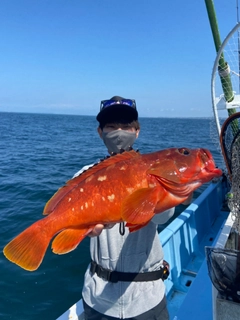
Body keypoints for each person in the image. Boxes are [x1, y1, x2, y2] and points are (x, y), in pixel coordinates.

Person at [75, 96, 192, 320]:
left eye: (126, 126)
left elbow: (162, 216)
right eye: (111, 126)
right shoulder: (83, 177)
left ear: (137, 131)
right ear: (100, 132)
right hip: (97, 299)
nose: (119, 132)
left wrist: (179, 190)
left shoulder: (153, 170)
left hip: (146, 299)